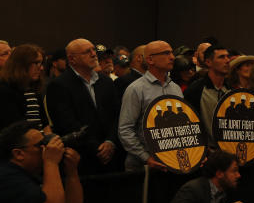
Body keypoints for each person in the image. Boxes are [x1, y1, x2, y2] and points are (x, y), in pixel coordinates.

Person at [44, 38, 121, 174]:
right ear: (72, 59)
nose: (93, 54)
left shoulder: (106, 82)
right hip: (81, 158)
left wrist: (111, 141)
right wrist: (97, 148)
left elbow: (116, 115)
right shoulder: (59, 85)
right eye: (87, 52)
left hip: (112, 154)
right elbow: (66, 123)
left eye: (93, 50)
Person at [118, 41, 182, 171]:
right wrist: (146, 157)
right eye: (166, 53)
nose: (172, 57)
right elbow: (125, 130)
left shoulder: (176, 88)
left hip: (172, 161)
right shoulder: (136, 89)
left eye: (172, 53)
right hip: (142, 165)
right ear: (150, 60)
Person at [184, 45, 230, 138]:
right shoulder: (195, 90)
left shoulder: (231, 89)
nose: (227, 60)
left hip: (230, 147)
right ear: (208, 62)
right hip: (207, 149)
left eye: (227, 56)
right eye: (221, 57)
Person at [0, 44, 49, 131]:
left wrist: (51, 139)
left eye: (41, 63)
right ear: (21, 65)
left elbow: (45, 124)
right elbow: (15, 131)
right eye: (36, 63)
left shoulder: (33, 89)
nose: (41, 68)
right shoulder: (4, 90)